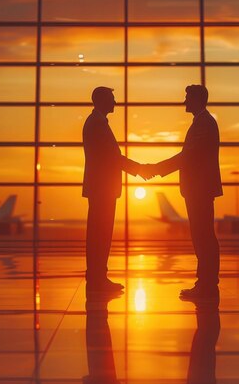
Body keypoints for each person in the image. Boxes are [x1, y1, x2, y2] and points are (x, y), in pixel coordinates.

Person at [144, 85, 222, 300]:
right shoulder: (202, 122)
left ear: (197, 99)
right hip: (199, 188)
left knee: (203, 237)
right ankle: (205, 284)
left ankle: (206, 286)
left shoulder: (204, 123)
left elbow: (188, 156)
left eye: (187, 97)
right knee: (202, 236)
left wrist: (156, 169)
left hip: (200, 188)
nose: (184, 102)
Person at [82, 87, 150, 294]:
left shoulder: (97, 122)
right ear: (101, 100)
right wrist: (139, 169)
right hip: (102, 188)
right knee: (100, 235)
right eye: (112, 98)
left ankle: (98, 277)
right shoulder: (97, 124)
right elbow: (111, 157)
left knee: (100, 234)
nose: (115, 102)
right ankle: (97, 279)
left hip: (101, 187)